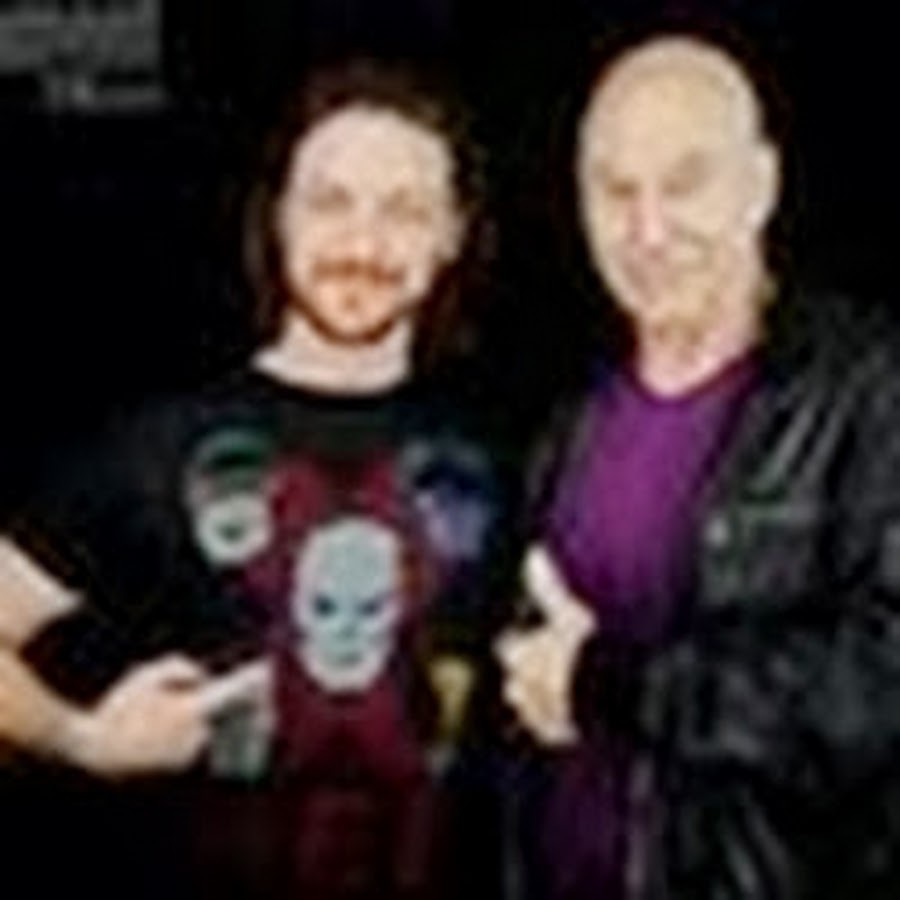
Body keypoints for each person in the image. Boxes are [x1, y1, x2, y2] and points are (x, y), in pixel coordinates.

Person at [2, 59, 509, 900]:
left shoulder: (504, 459)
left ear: (452, 232)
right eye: (331, 202)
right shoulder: (157, 448)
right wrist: (79, 738)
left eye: (405, 210)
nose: (363, 245)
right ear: (278, 215)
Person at [497, 31, 900, 900]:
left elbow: (881, 685)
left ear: (762, 185)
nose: (648, 230)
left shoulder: (869, 389)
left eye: (684, 184)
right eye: (615, 191)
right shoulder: (565, 423)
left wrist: (614, 684)